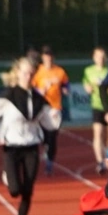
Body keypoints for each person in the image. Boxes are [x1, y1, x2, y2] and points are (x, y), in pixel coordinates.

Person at [0, 56, 62, 215]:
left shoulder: (39, 99)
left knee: (28, 190)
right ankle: (8, 175)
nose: (28, 76)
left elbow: (47, 123)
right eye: (25, 72)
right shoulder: (7, 97)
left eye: (31, 73)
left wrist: (55, 116)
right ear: (17, 73)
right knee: (15, 190)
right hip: (11, 148)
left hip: (31, 147)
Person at [32, 45, 69, 176]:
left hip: (55, 107)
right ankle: (45, 147)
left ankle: (49, 163)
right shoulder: (37, 71)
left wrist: (65, 90)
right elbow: (32, 87)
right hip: (41, 107)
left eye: (50, 56)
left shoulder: (59, 71)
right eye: (46, 56)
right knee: (41, 134)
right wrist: (40, 91)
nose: (48, 58)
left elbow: (65, 84)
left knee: (52, 136)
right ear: (42, 58)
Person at [82, 46, 108, 174]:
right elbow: (86, 83)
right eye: (98, 56)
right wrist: (87, 88)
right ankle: (100, 161)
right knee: (98, 133)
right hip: (97, 105)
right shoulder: (89, 71)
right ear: (94, 58)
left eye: (103, 57)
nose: (101, 59)